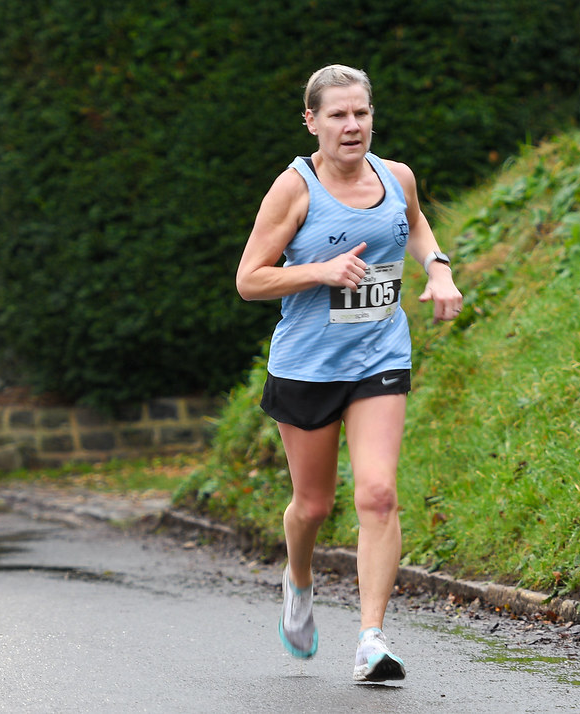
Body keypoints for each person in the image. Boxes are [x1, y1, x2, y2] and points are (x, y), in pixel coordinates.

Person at [235, 64, 463, 683]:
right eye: (337, 114)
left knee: (378, 493)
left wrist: (438, 270)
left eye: (360, 112)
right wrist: (321, 271)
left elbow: (414, 226)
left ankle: (371, 639)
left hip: (380, 356)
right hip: (308, 365)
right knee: (312, 505)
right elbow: (250, 279)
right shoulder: (294, 188)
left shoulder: (397, 177)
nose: (351, 125)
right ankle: (299, 583)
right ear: (311, 122)